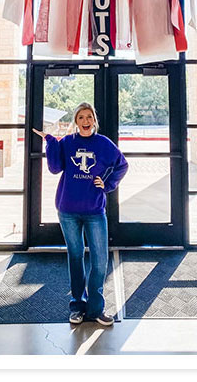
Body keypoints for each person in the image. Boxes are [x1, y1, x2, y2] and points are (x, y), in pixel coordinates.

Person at [32, 102, 128, 326]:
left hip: (94, 210)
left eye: (89, 117)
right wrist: (50, 142)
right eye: (81, 117)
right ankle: (77, 306)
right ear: (76, 121)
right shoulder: (67, 142)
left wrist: (106, 184)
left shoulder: (104, 144)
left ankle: (95, 309)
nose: (86, 121)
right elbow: (55, 168)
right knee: (75, 257)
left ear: (94, 120)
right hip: (67, 210)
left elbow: (122, 165)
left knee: (99, 259)